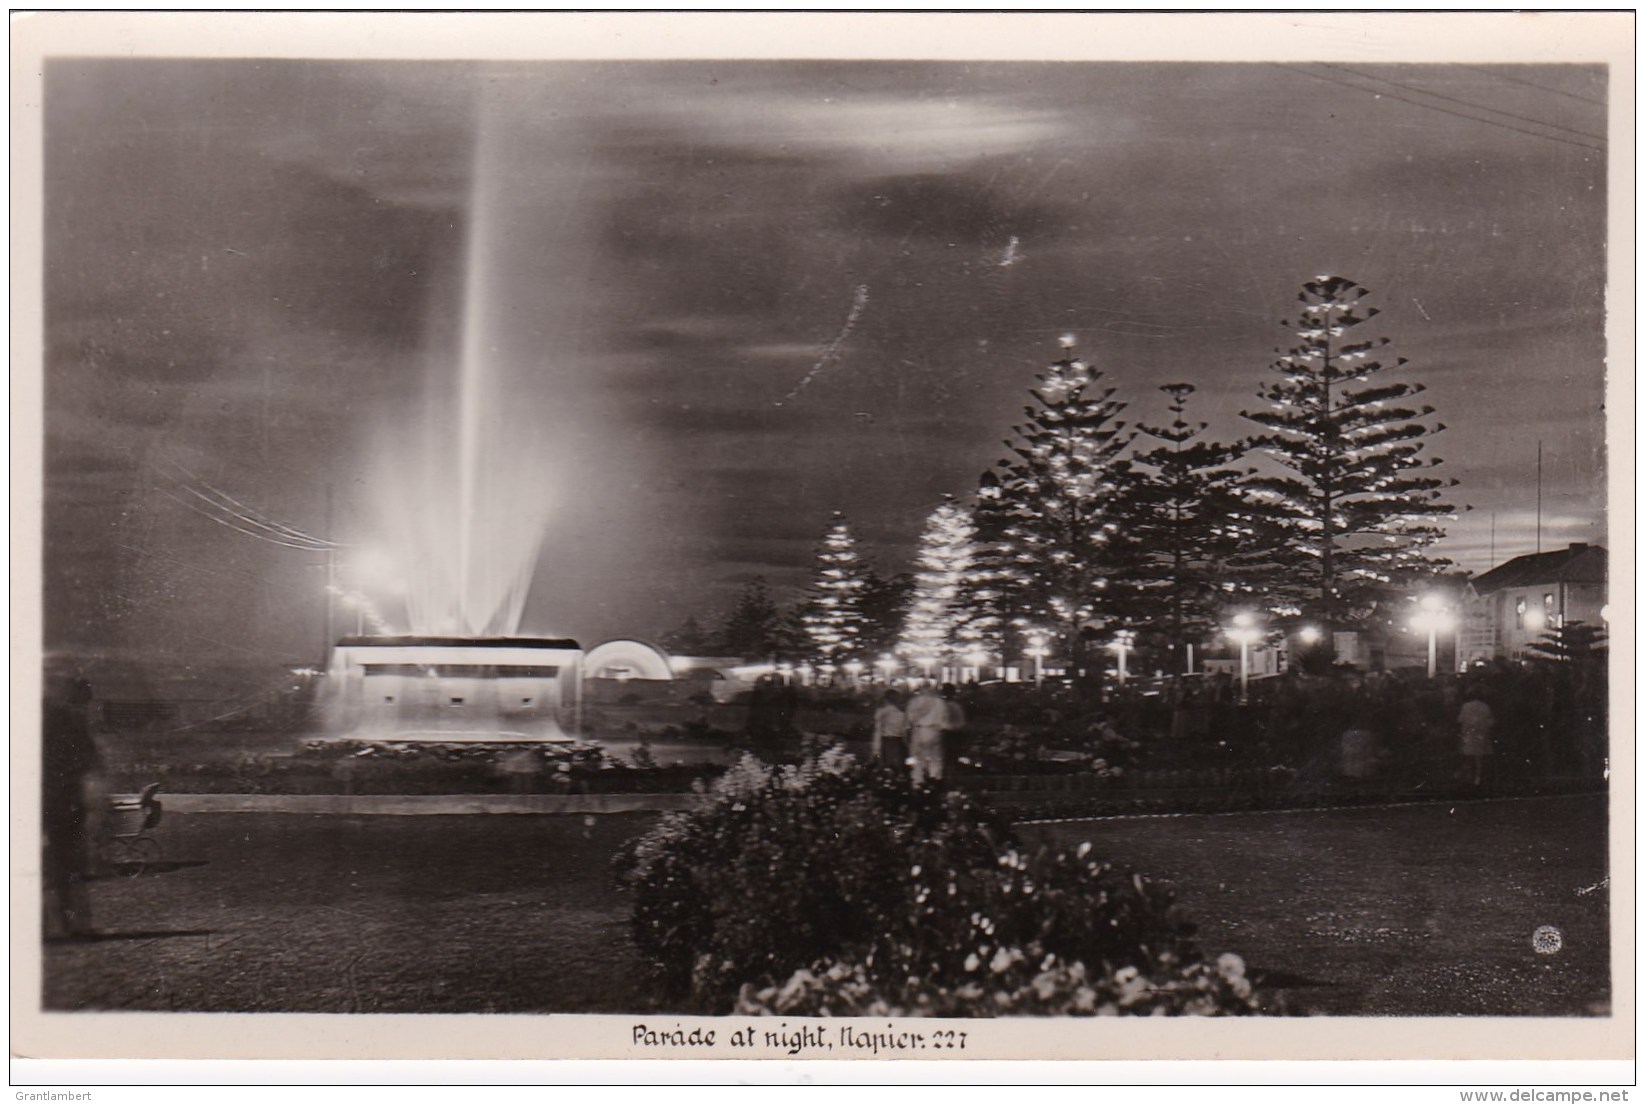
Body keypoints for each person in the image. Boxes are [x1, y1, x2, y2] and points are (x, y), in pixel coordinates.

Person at [42, 670, 100, 938]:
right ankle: (67, 924)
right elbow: (90, 762)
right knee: (64, 868)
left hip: (58, 802)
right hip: (62, 802)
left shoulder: (60, 718)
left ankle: (63, 924)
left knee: (60, 867)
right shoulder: (65, 720)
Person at [905, 683, 948, 785]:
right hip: (935, 730)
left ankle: (918, 782)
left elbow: (910, 718)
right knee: (935, 758)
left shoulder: (914, 702)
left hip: (919, 730)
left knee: (918, 758)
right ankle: (935, 781)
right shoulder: (940, 702)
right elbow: (944, 719)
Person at [1458, 691, 1495, 787]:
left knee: (1468, 756)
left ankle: (1469, 777)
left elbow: (1460, 720)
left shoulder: (1466, 706)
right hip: (1481, 734)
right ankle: (1478, 778)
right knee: (1479, 758)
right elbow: (1490, 722)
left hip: (1469, 734)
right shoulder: (1485, 707)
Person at [871, 689, 908, 770]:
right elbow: (904, 731)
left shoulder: (880, 712)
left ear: (885, 700)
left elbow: (877, 729)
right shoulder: (901, 714)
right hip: (898, 741)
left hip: (885, 740)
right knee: (896, 765)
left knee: (885, 765)